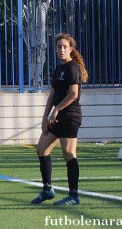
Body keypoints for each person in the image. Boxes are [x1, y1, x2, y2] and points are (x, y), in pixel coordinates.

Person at [31, 32, 88, 205]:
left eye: (64, 47)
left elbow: (73, 94)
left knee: (69, 153)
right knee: (42, 149)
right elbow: (52, 95)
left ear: (71, 49)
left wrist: (56, 110)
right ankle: (47, 190)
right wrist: (44, 118)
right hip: (57, 117)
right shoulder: (59, 69)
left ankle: (73, 195)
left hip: (70, 117)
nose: (61, 50)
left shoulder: (72, 68)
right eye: (58, 47)